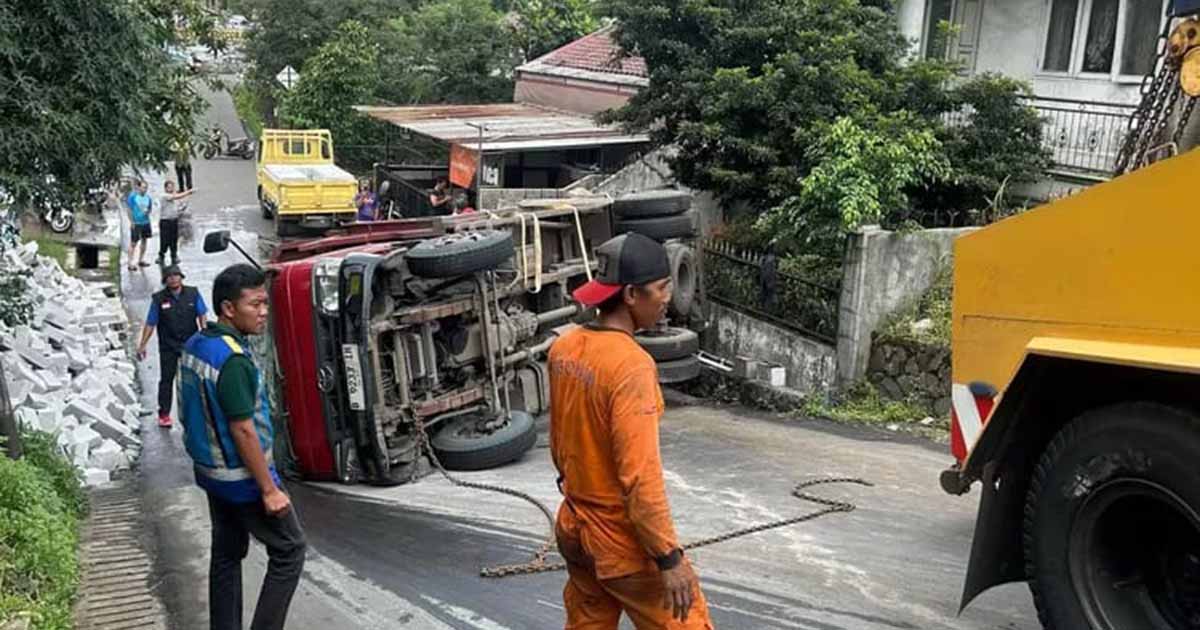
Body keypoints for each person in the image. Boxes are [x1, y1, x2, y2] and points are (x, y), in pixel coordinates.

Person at [548, 232, 714, 630]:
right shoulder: (631, 366)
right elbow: (640, 478)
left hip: (574, 527)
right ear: (629, 295)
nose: (667, 298)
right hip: (621, 544)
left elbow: (559, 448)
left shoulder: (564, 348)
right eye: (660, 288)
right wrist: (669, 559)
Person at [178, 264, 306, 630]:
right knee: (290, 550)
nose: (263, 312)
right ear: (228, 309)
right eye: (255, 305)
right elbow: (243, 429)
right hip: (243, 479)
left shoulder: (197, 344)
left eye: (266, 304)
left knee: (227, 554)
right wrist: (269, 489)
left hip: (211, 474)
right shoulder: (232, 360)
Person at [136, 265, 207, 428]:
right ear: (165, 280)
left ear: (181, 277)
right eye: (170, 276)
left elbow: (202, 314)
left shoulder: (193, 293)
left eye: (176, 276)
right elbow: (151, 322)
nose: (173, 279)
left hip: (191, 345)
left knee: (193, 380)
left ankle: (194, 414)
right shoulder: (159, 299)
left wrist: (204, 334)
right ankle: (164, 414)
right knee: (167, 380)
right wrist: (142, 345)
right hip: (168, 346)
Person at [157, 181, 195, 266]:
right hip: (165, 221)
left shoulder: (174, 199)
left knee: (174, 239)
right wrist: (188, 192)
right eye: (169, 187)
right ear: (165, 188)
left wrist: (181, 209)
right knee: (164, 240)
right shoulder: (164, 196)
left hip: (173, 220)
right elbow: (177, 197)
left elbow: (177, 208)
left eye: (172, 187)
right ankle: (161, 256)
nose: (171, 189)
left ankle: (174, 255)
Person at [126, 180, 154, 270]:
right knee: (133, 242)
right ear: (138, 187)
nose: (144, 189)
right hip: (136, 223)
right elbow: (129, 210)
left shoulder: (148, 198)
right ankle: (130, 263)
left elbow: (150, 208)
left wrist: (148, 213)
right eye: (143, 187)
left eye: (146, 188)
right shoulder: (133, 197)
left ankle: (141, 259)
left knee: (144, 240)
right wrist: (132, 221)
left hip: (145, 222)